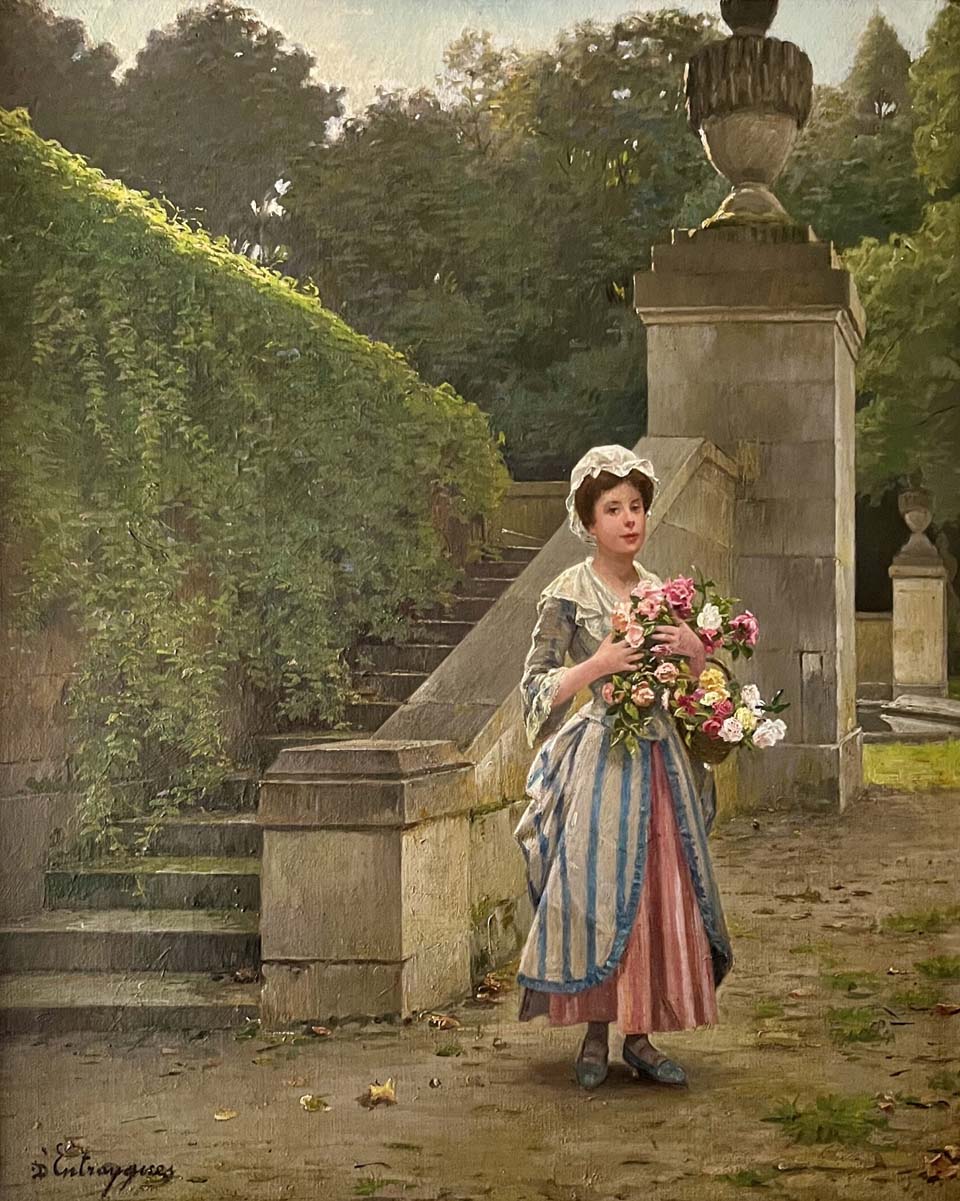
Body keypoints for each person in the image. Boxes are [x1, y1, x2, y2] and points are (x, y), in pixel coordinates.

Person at [514, 444, 734, 1089]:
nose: (629, 520)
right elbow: (534, 687)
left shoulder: (665, 593)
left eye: (636, 507)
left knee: (657, 891)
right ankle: (593, 1032)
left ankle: (640, 1037)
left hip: (661, 761)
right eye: (613, 509)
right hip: (601, 758)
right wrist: (599, 667)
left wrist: (696, 652)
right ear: (588, 521)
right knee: (595, 888)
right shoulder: (566, 594)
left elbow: (701, 689)